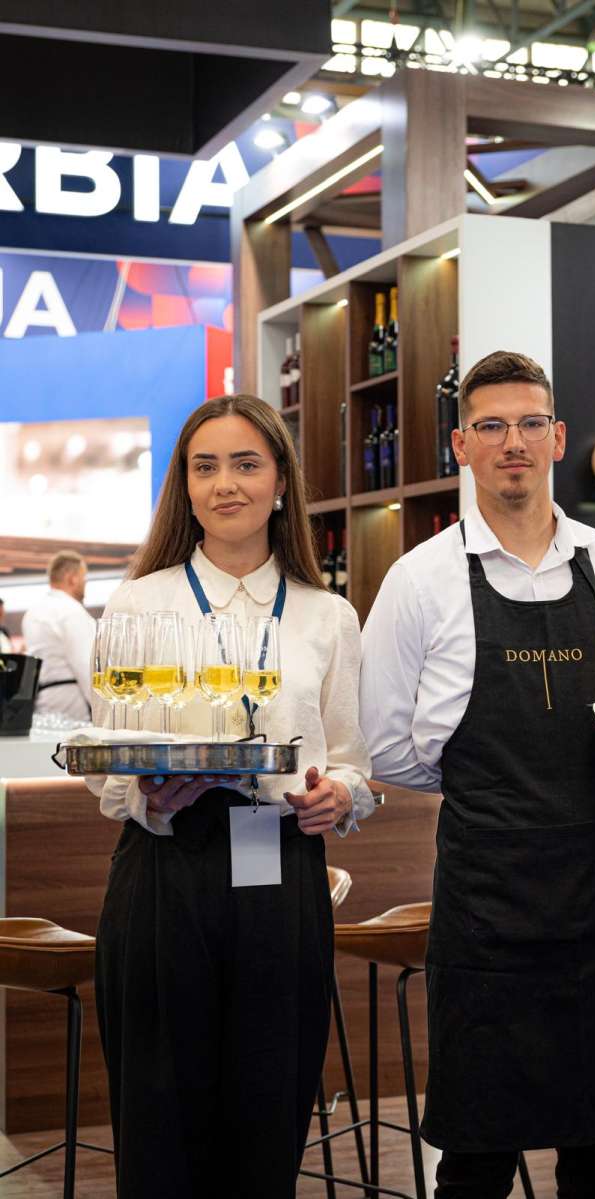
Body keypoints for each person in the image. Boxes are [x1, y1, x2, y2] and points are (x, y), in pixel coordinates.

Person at [360, 351, 595, 1199]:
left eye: (529, 423)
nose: (512, 442)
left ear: (557, 437)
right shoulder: (420, 580)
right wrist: (492, 792)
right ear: (461, 445)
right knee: (476, 1157)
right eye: (490, 426)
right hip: (488, 904)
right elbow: (385, 748)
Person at [85, 394, 373, 1199]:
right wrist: (151, 798)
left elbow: (352, 760)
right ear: (185, 485)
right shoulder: (139, 602)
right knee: (159, 1112)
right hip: (164, 864)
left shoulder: (327, 615)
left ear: (281, 482)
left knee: (269, 1107)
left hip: (279, 860)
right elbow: (107, 760)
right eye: (204, 466)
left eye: (247, 464)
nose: (225, 483)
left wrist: (340, 797)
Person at [21, 550, 94, 719]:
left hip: (42, 702)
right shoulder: (71, 611)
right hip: (73, 704)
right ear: (73, 578)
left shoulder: (32, 612)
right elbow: (85, 665)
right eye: (84, 577)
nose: (85, 583)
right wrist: (104, 712)